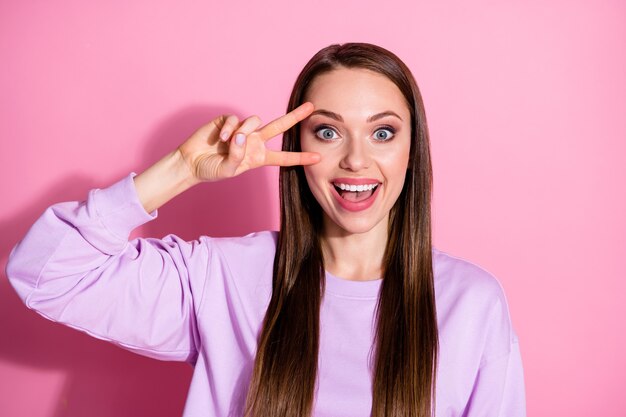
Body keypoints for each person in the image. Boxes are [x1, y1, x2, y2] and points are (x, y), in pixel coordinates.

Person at [6, 43, 526, 417]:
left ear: (413, 151)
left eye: (383, 132)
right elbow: (45, 275)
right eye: (328, 132)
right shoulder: (224, 277)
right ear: (296, 149)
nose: (355, 160)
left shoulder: (471, 302)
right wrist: (181, 169)